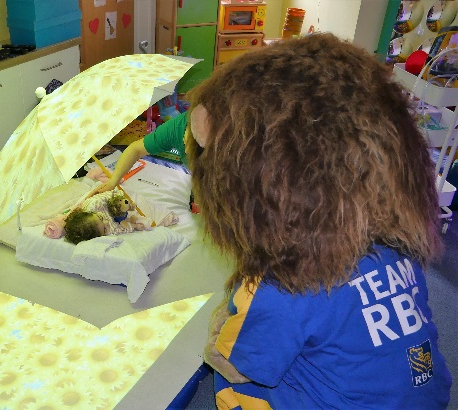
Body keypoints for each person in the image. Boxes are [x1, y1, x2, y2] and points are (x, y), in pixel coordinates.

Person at [184, 33, 452, 409]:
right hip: (430, 398)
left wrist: (225, 329)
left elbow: (242, 366)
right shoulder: (399, 247)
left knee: (231, 388)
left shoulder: (280, 286)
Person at [88, 109, 208, 212]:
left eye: (196, 146)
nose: (186, 151)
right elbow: (135, 149)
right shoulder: (177, 127)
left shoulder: (224, 144)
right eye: (184, 141)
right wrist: (112, 182)